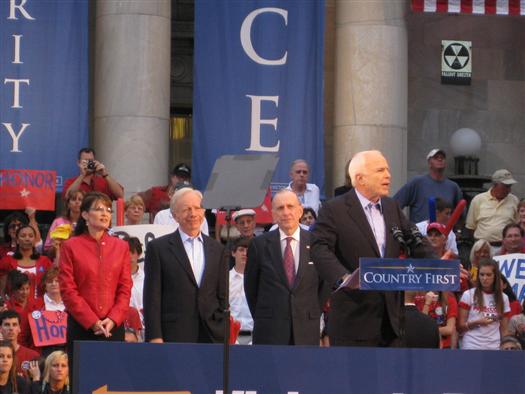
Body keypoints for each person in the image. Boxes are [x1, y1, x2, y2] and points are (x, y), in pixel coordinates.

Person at [311, 150, 413, 347]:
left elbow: (415, 241)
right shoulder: (334, 209)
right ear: (360, 178)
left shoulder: (392, 207)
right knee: (356, 377)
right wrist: (344, 278)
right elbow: (319, 248)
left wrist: (443, 266)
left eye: (388, 170)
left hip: (391, 323)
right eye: (380, 170)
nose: (388, 175)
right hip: (353, 319)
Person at [58, 192, 132, 379]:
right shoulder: (70, 246)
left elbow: (125, 288)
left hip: (112, 327)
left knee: (112, 381)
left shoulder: (121, 246)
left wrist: (114, 318)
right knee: (84, 380)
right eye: (99, 209)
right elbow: (68, 289)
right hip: (82, 326)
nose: (105, 213)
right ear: (84, 215)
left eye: (108, 209)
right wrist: (92, 321)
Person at [143, 188, 226, 343]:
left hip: (211, 334)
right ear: (175, 215)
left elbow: (222, 295)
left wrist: (221, 327)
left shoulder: (217, 249)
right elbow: (152, 297)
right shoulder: (158, 248)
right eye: (186, 209)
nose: (193, 214)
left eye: (197, 208)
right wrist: (155, 336)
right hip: (174, 334)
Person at [245, 190, 325, 345]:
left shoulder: (317, 243)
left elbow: (324, 286)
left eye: (290, 206)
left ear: (300, 210)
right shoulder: (259, 245)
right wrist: (265, 315)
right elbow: (251, 288)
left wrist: (310, 312)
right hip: (269, 331)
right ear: (273, 214)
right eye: (280, 208)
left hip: (306, 329)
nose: (286, 212)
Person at [394, 149, 462, 223]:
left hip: (444, 233)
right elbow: (394, 205)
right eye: (436, 157)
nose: (440, 159)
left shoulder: (453, 187)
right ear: (429, 163)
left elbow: (460, 213)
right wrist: (404, 227)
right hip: (420, 233)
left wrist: (457, 231)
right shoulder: (417, 182)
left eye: (442, 157)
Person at [458, 259, 510, 350]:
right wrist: (477, 322)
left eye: (488, 275)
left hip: (494, 346)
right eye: (482, 274)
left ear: (495, 276)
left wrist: (505, 347)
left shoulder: (504, 298)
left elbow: (504, 330)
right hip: (471, 345)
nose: (484, 278)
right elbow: (460, 327)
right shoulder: (468, 294)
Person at [465, 169, 519, 250]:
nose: (509, 190)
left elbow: (517, 225)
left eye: (510, 186)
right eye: (506, 186)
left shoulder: (514, 200)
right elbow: (470, 227)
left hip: (506, 248)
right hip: (483, 248)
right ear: (495, 185)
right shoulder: (478, 200)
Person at [0, 225, 53, 299]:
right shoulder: (7, 261)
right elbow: (2, 291)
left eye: (31, 236)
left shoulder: (45, 261)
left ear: (34, 240)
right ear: (17, 240)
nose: (27, 239)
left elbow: (53, 282)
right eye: (23, 236)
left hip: (40, 307)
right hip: (13, 307)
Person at [5, 271, 42, 349]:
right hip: (11, 348)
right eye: (21, 289)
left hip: (33, 349)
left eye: (27, 288)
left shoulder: (38, 304)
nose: (25, 292)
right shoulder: (6, 307)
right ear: (14, 290)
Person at [228, 237, 253, 345]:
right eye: (241, 250)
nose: (245, 253)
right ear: (233, 253)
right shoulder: (225, 279)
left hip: (254, 335)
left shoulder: (259, 279)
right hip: (231, 336)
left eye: (248, 250)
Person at [0, 310, 39, 376]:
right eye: (7, 325)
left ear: (19, 328)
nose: (11, 328)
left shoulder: (32, 356)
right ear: (0, 329)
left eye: (14, 325)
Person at [127, 237, 144, 329]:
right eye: (126, 253)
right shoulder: (113, 279)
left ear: (139, 254)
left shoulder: (147, 279)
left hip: (143, 329)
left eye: (132, 252)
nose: (129, 256)